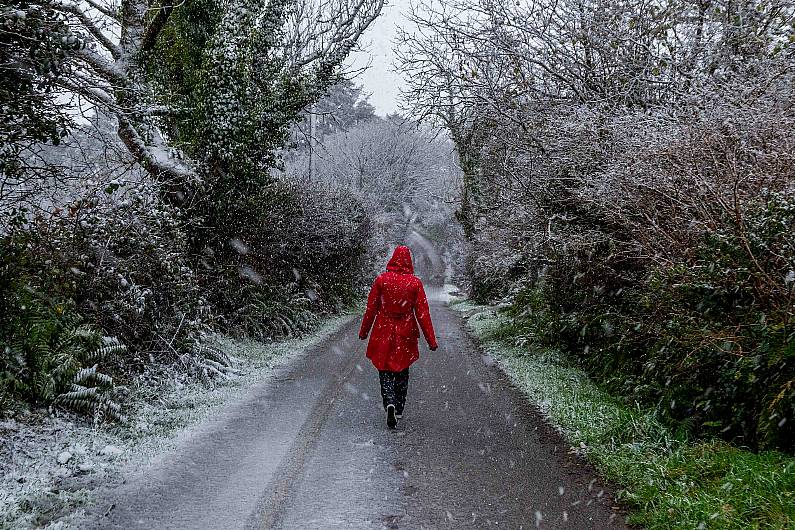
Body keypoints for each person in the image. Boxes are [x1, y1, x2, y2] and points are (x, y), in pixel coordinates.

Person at [359, 245, 438, 429]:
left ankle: (389, 403)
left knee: (384, 368)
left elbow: (371, 309)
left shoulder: (381, 280)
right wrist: (431, 341)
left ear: (392, 259)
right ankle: (399, 407)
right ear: (409, 261)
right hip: (406, 332)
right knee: (402, 369)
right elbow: (423, 313)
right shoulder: (414, 283)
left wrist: (364, 332)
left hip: (383, 330)